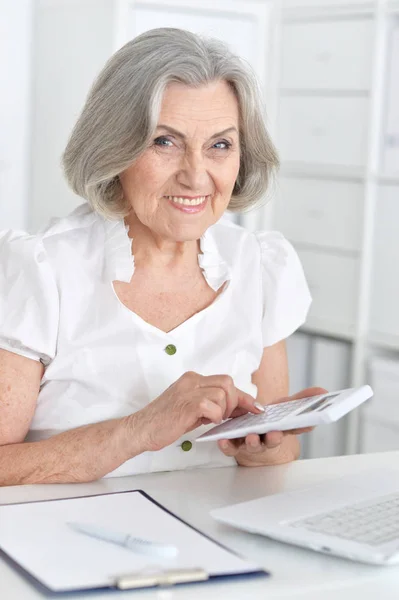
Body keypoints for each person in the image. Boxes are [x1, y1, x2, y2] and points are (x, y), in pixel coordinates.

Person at [0, 28, 324, 486]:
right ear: (115, 147)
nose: (196, 176)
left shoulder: (262, 265)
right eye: (164, 142)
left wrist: (264, 445)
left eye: (220, 145)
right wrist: (141, 429)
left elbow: (282, 451)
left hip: (217, 540)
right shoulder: (41, 270)